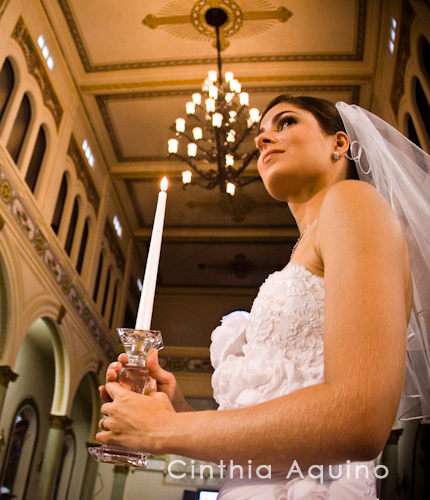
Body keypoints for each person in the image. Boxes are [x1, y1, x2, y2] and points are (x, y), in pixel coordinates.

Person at [97, 96, 429, 498]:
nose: (265, 138)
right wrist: (176, 409)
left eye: (286, 122)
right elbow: (271, 452)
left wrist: (165, 429)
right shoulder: (305, 249)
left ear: (339, 144)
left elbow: (359, 419)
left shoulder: (354, 202)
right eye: (260, 137)